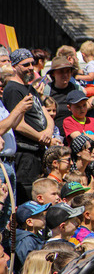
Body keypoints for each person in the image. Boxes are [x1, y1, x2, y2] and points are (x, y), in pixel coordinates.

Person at [2, 49, 57, 203]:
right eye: (26, 65)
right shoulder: (12, 89)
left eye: (32, 63)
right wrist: (41, 137)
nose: (31, 67)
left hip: (38, 151)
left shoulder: (30, 88)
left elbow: (46, 113)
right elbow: (17, 124)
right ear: (14, 66)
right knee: (27, 198)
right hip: (25, 153)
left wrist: (49, 132)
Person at [43, 56, 83, 135]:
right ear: (53, 74)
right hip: (55, 135)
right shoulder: (47, 91)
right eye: (61, 72)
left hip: (76, 134)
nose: (65, 75)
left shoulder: (77, 89)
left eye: (68, 71)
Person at [15, 200, 50, 274]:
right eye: (41, 215)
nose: (44, 217)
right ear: (29, 222)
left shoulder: (35, 237)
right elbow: (29, 264)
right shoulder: (26, 240)